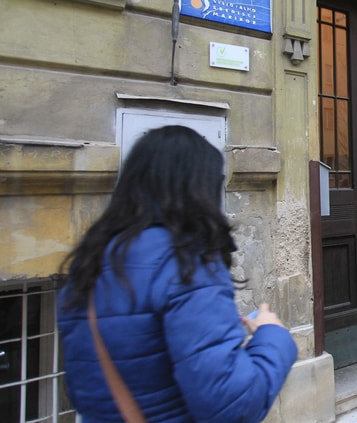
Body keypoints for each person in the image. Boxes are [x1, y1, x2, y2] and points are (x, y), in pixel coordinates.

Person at [57, 125, 298, 423]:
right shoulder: (185, 262)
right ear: (200, 188)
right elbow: (233, 406)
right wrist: (272, 335)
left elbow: (83, 390)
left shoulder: (89, 263)